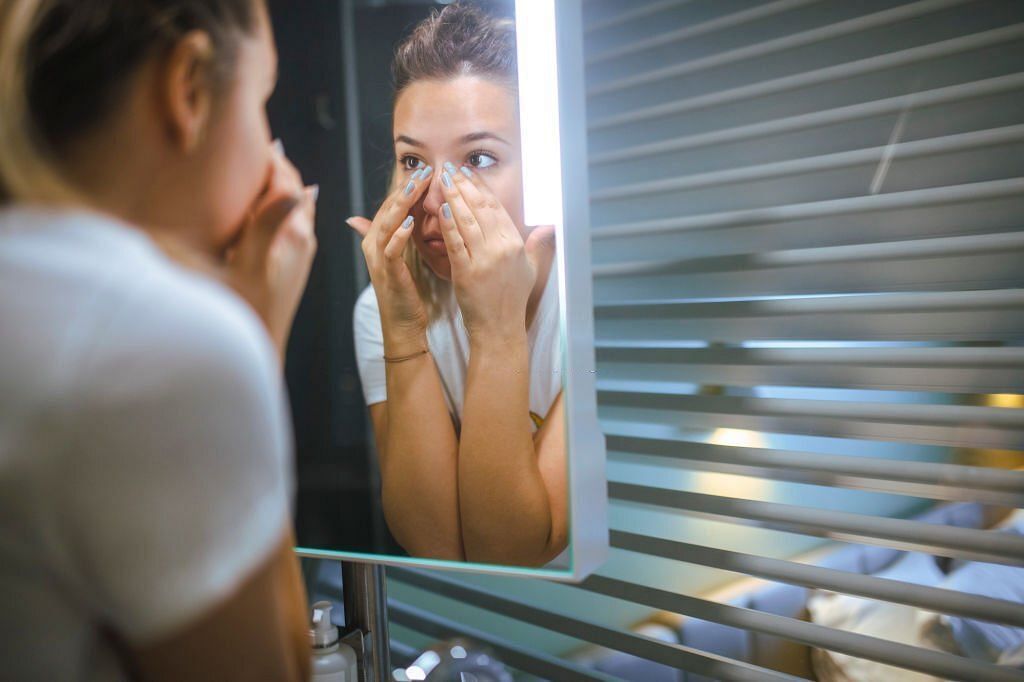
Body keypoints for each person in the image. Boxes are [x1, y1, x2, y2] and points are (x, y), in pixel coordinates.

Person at [0, 1, 315, 679]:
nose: (269, 152)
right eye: (262, 99)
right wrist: (257, 340)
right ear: (190, 88)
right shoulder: (157, 343)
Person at [349, 3, 567, 567]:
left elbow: (512, 553)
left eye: (478, 157)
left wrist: (497, 331)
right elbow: (434, 547)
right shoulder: (383, 309)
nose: (435, 200)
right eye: (412, 162)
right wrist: (403, 333)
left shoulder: (591, 307)